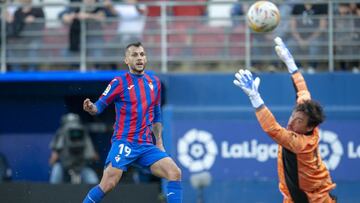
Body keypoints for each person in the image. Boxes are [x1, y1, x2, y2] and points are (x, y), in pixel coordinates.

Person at [233, 37, 336, 203]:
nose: (292, 121)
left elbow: (272, 129)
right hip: (297, 197)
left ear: (309, 127)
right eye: (294, 115)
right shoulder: (306, 116)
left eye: (299, 121)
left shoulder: (298, 143)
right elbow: (302, 91)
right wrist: (291, 64)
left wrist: (255, 97)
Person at [82, 42, 182, 203]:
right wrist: (91, 107)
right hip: (125, 142)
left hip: (145, 145)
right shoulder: (119, 82)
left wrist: (159, 142)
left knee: (174, 172)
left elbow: (156, 115)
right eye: (134, 55)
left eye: (142, 54)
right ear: (126, 60)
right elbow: (99, 106)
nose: (139, 58)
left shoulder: (154, 82)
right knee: (108, 184)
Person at [49, 113, 99, 184]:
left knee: (93, 180)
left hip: (81, 167)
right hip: (64, 166)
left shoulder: (83, 134)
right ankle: (52, 193)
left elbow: (94, 156)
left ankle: (93, 195)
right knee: (56, 170)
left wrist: (84, 153)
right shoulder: (62, 134)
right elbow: (53, 159)